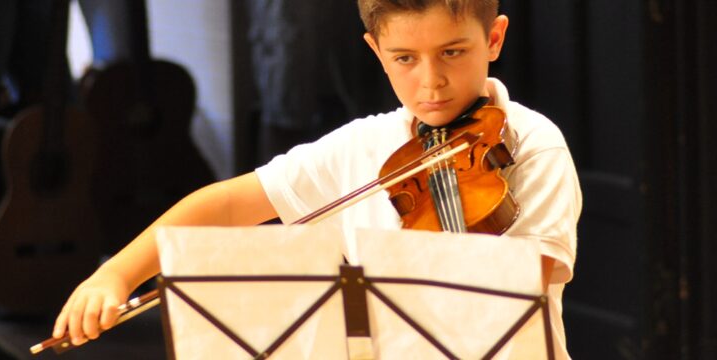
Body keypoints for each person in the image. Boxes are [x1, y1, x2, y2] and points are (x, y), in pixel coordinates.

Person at [52, 0, 582, 358]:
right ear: (376, 51)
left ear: (494, 38)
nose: (431, 81)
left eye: (452, 52)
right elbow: (227, 205)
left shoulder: (531, 146)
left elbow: (518, 285)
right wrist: (117, 275)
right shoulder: (366, 144)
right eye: (405, 58)